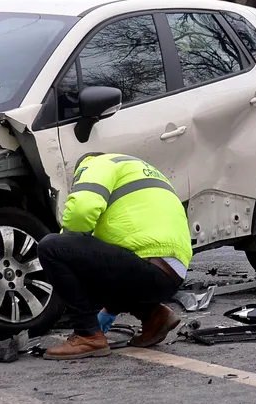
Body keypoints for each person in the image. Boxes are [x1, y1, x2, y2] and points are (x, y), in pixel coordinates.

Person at [38, 153, 193, 359]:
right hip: (171, 273)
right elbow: (112, 258)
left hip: (147, 266)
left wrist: (67, 248)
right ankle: (154, 316)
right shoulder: (139, 170)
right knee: (94, 255)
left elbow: (82, 210)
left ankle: (88, 336)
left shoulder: (95, 165)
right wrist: (109, 308)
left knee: (51, 247)